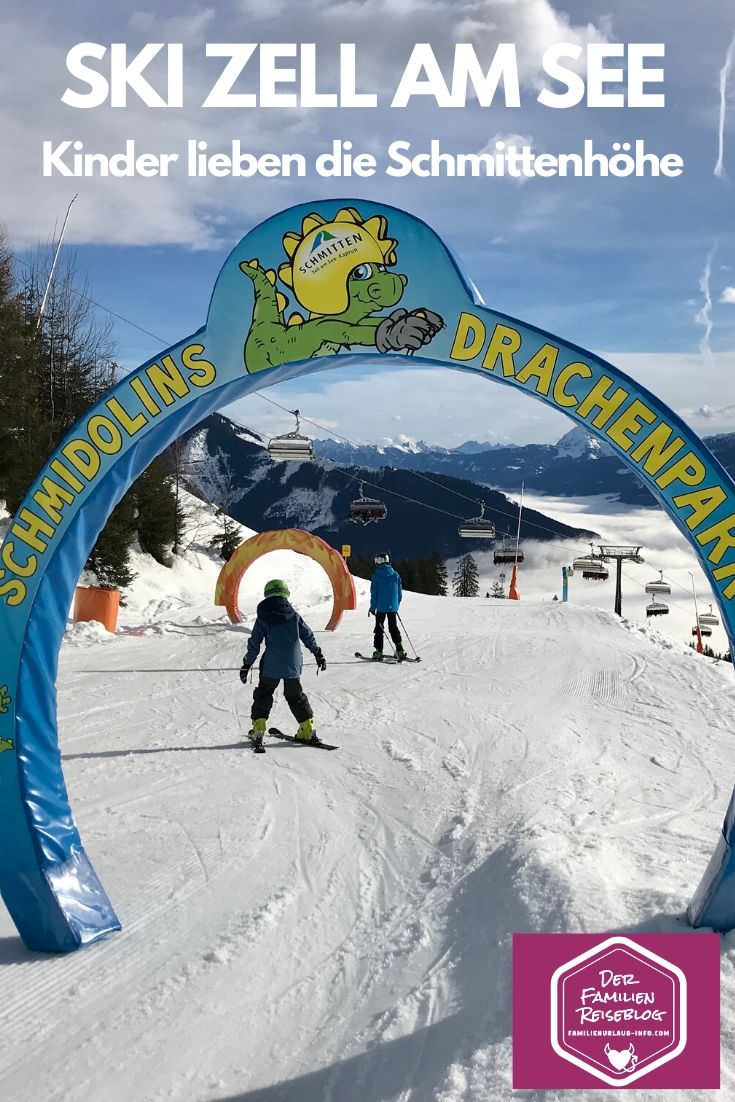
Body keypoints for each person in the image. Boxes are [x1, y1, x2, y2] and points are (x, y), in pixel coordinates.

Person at [240, 579, 326, 743]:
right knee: (295, 696)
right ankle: (307, 729)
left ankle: (258, 729)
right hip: (293, 663)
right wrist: (318, 653)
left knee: (264, 692)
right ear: (285, 594)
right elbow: (308, 635)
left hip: (271, 664)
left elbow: (255, 643)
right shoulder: (294, 615)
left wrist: (247, 664)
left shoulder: (264, 617)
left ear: (267, 594)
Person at [369, 553, 406, 661]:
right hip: (393, 607)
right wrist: (395, 605)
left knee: (379, 629)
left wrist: (372, 607)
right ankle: (400, 650)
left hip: (380, 607)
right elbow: (399, 593)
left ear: (379, 561)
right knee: (393, 627)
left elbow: (374, 593)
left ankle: (379, 652)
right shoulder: (395, 574)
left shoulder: (376, 575)